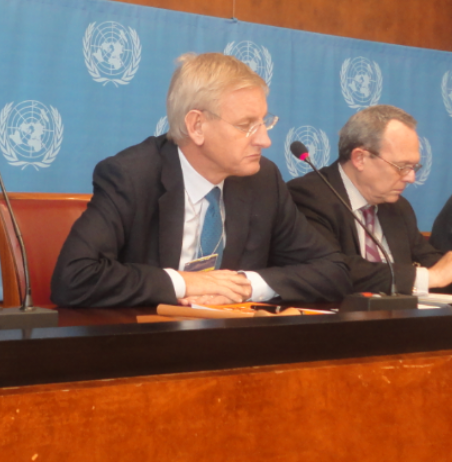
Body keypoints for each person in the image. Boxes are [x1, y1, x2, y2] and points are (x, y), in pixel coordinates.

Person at [52, 52, 351, 308]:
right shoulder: (132, 176)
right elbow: (74, 278)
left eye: (264, 122)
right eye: (246, 125)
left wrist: (245, 285)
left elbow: (333, 269)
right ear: (197, 126)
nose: (264, 140)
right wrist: (185, 283)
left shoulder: (262, 180)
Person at [288, 105, 452, 294]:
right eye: (402, 166)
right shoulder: (308, 197)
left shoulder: (398, 207)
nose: (411, 178)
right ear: (360, 158)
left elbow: (433, 263)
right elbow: (330, 270)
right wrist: (428, 278)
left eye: (414, 167)